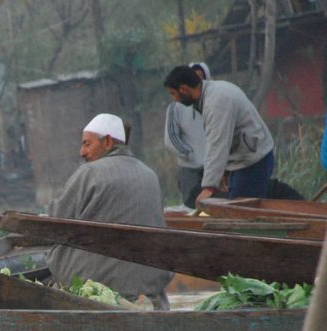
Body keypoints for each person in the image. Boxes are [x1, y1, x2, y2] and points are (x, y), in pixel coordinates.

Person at [46, 113, 174, 310]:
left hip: (100, 279)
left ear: (107, 142)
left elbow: (55, 220)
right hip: (147, 283)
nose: (81, 152)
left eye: (87, 144)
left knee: (55, 247)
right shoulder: (149, 174)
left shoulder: (89, 173)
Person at [163, 65, 275, 202]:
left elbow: (217, 145)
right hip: (241, 161)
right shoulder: (210, 95)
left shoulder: (217, 102)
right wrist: (223, 173)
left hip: (252, 162)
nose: (174, 99)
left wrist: (209, 187)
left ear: (184, 90)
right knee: (237, 209)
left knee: (242, 214)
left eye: (173, 94)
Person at [163, 62, 210, 208]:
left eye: (201, 77)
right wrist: (187, 153)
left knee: (213, 206)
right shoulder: (175, 108)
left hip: (213, 165)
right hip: (189, 167)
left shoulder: (211, 102)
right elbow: (171, 136)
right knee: (191, 206)